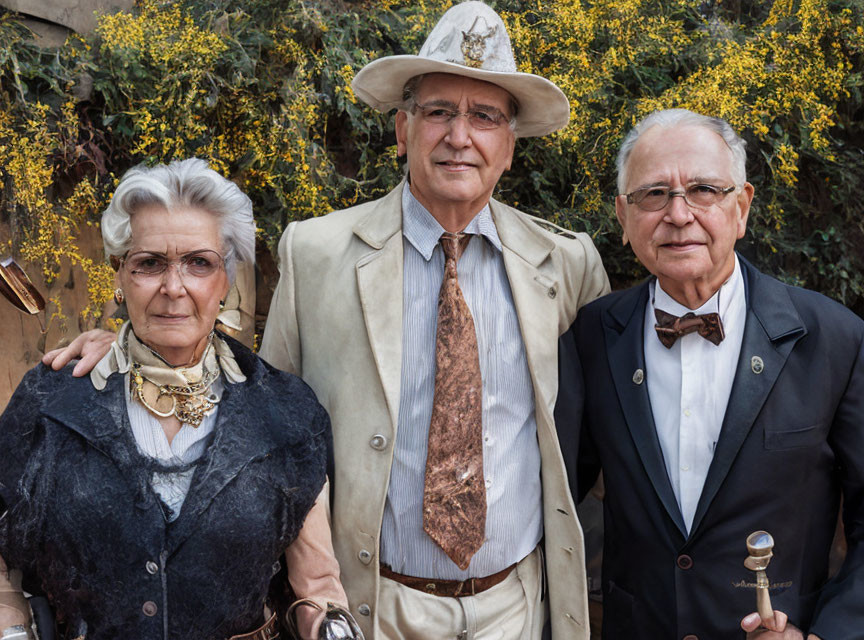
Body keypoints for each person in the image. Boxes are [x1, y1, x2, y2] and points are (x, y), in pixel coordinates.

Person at [42, 3, 610, 638]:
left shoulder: (566, 264)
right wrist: (126, 342)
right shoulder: (316, 255)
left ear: (509, 144)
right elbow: (256, 410)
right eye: (439, 112)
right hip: (369, 607)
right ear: (402, 129)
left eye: (485, 117)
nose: (460, 136)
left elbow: (603, 424)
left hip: (517, 606)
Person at [0, 159, 354, 640]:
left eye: (199, 263)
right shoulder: (50, 399)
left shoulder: (286, 413)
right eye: (149, 264)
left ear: (225, 279)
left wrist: (330, 625)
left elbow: (317, 584)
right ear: (120, 275)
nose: (173, 287)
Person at [555, 108, 864, 639]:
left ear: (741, 207)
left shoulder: (836, 339)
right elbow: (549, 495)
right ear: (624, 217)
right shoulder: (591, 336)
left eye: (703, 190)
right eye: (653, 194)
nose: (679, 214)